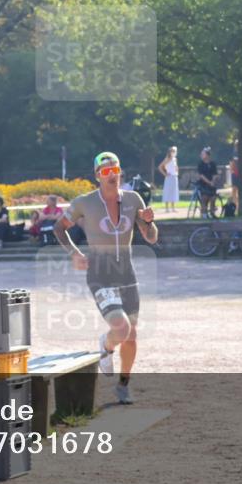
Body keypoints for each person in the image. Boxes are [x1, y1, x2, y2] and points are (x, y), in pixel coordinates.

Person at [54, 151, 158, 405]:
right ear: (97, 176)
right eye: (106, 172)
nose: (112, 175)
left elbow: (152, 237)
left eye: (116, 170)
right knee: (121, 327)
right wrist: (74, 253)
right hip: (100, 273)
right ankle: (107, 343)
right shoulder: (84, 203)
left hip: (127, 274)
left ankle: (123, 384)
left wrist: (149, 222)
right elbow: (58, 228)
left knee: (131, 333)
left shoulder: (134, 200)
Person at [195, 147, 219, 218]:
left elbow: (215, 174)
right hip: (203, 184)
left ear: (207, 155)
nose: (201, 155)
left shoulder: (213, 164)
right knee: (204, 198)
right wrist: (209, 182)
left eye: (203, 154)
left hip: (212, 184)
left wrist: (212, 181)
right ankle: (204, 214)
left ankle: (212, 212)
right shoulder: (200, 164)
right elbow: (201, 175)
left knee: (213, 198)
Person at [158, 146, 179, 213]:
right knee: (168, 191)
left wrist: (176, 171)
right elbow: (160, 167)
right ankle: (167, 208)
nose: (174, 152)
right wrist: (165, 174)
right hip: (169, 177)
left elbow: (175, 167)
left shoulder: (175, 159)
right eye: (173, 151)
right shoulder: (168, 159)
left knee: (173, 192)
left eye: (175, 151)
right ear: (170, 152)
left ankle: (173, 207)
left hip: (174, 177)